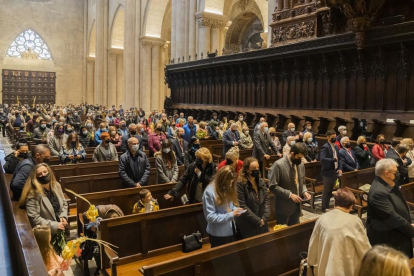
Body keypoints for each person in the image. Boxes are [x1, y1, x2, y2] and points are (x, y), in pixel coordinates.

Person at [308, 188, 371, 276]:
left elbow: (312, 246)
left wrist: (311, 265)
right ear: (351, 206)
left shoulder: (321, 219)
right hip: (345, 271)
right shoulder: (354, 221)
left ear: (334, 202)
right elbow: (364, 249)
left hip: (325, 270)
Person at [367, 159, 414, 257]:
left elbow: (404, 205)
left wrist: (411, 221)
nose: (398, 173)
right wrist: (411, 229)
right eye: (395, 172)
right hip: (390, 241)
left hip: (400, 233)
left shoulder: (390, 184)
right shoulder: (378, 192)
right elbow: (392, 218)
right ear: (387, 173)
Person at [20, 163, 68, 235]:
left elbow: (64, 203)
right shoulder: (33, 193)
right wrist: (55, 225)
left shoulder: (56, 185)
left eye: (45, 172)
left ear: (49, 172)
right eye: (39, 174)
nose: (43, 175)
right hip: (45, 233)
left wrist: (63, 216)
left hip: (61, 228)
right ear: (35, 178)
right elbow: (35, 218)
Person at [269, 143, 311, 226]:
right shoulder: (278, 165)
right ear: (292, 153)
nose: (300, 160)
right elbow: (273, 186)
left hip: (297, 207)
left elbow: (302, 182)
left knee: (294, 233)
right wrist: (290, 194)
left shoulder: (301, 165)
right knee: (283, 235)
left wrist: (304, 191)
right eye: (299, 157)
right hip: (284, 207)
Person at [202, 166, 244, 248]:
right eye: (229, 182)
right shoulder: (209, 192)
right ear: (222, 179)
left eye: (232, 182)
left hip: (231, 230)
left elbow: (229, 205)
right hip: (218, 234)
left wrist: (235, 209)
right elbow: (210, 217)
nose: (230, 184)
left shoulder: (226, 186)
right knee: (221, 260)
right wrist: (231, 215)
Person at [235, 157, 269, 239]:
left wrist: (265, 217)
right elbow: (242, 205)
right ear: (247, 170)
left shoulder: (260, 181)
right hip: (248, 223)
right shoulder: (240, 184)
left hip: (262, 221)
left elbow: (266, 199)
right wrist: (257, 220)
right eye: (254, 169)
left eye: (258, 168)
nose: (257, 170)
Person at [320, 130, 341, 212]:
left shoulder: (335, 146)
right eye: (332, 138)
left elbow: (339, 158)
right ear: (328, 137)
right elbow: (322, 158)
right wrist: (333, 160)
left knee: (330, 190)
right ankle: (324, 207)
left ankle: (327, 206)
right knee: (326, 191)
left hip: (334, 171)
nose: (334, 139)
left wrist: (339, 168)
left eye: (335, 137)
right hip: (327, 172)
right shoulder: (325, 146)